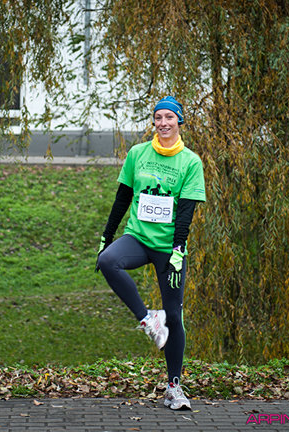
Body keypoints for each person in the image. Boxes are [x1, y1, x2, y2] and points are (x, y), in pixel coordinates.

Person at [96, 96, 205, 410]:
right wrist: (106, 236)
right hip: (138, 238)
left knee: (174, 316)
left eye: (169, 117)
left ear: (179, 122)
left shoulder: (190, 162)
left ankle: (174, 388)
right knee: (108, 261)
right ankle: (147, 319)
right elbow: (122, 198)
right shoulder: (138, 154)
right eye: (158, 117)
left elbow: (185, 213)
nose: (163, 123)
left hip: (169, 248)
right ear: (153, 122)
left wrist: (178, 248)